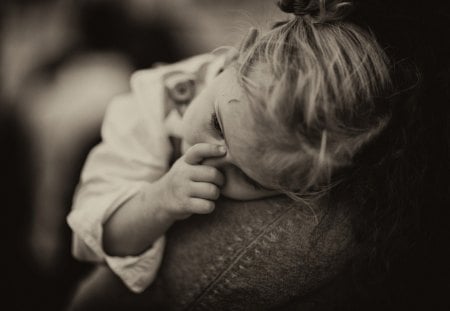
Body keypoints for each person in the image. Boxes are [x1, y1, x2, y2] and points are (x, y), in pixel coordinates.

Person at [67, 0, 396, 298]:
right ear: (239, 53)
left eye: (248, 178)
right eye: (217, 123)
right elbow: (91, 239)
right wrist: (161, 199)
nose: (210, 157)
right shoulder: (148, 106)